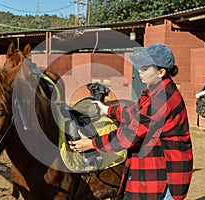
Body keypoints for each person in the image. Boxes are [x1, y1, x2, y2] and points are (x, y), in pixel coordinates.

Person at [68, 43, 193, 200]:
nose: (139, 72)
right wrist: (107, 110)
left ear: (161, 72)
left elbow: (129, 135)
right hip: (154, 167)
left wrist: (92, 144)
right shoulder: (154, 91)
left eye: (145, 68)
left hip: (164, 174)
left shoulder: (162, 99)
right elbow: (134, 113)